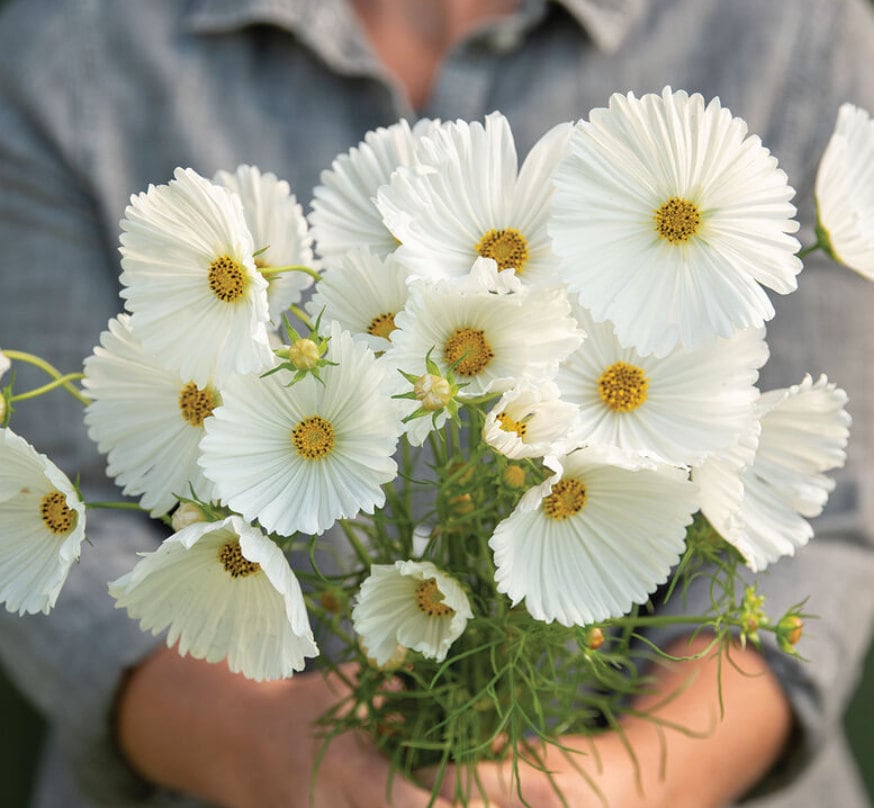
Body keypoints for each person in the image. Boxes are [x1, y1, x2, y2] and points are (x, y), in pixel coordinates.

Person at [1, 0, 873, 805]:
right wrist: (255, 745)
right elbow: (60, 516)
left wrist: (636, 781)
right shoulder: (74, 42)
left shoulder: (792, 25)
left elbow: (816, 512)